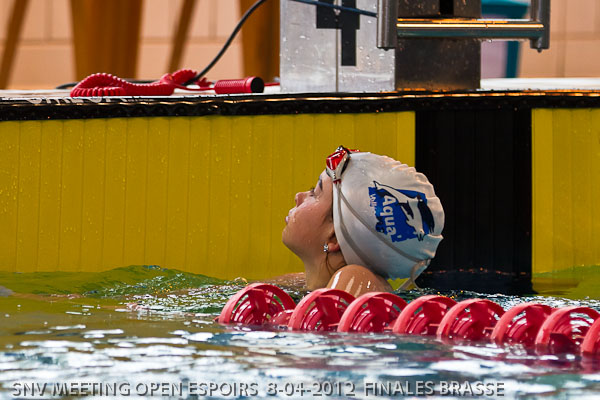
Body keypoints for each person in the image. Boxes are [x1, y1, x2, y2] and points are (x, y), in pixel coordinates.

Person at [282, 146, 444, 297]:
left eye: (314, 193)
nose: (299, 196)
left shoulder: (355, 278)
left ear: (334, 237)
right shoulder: (301, 282)